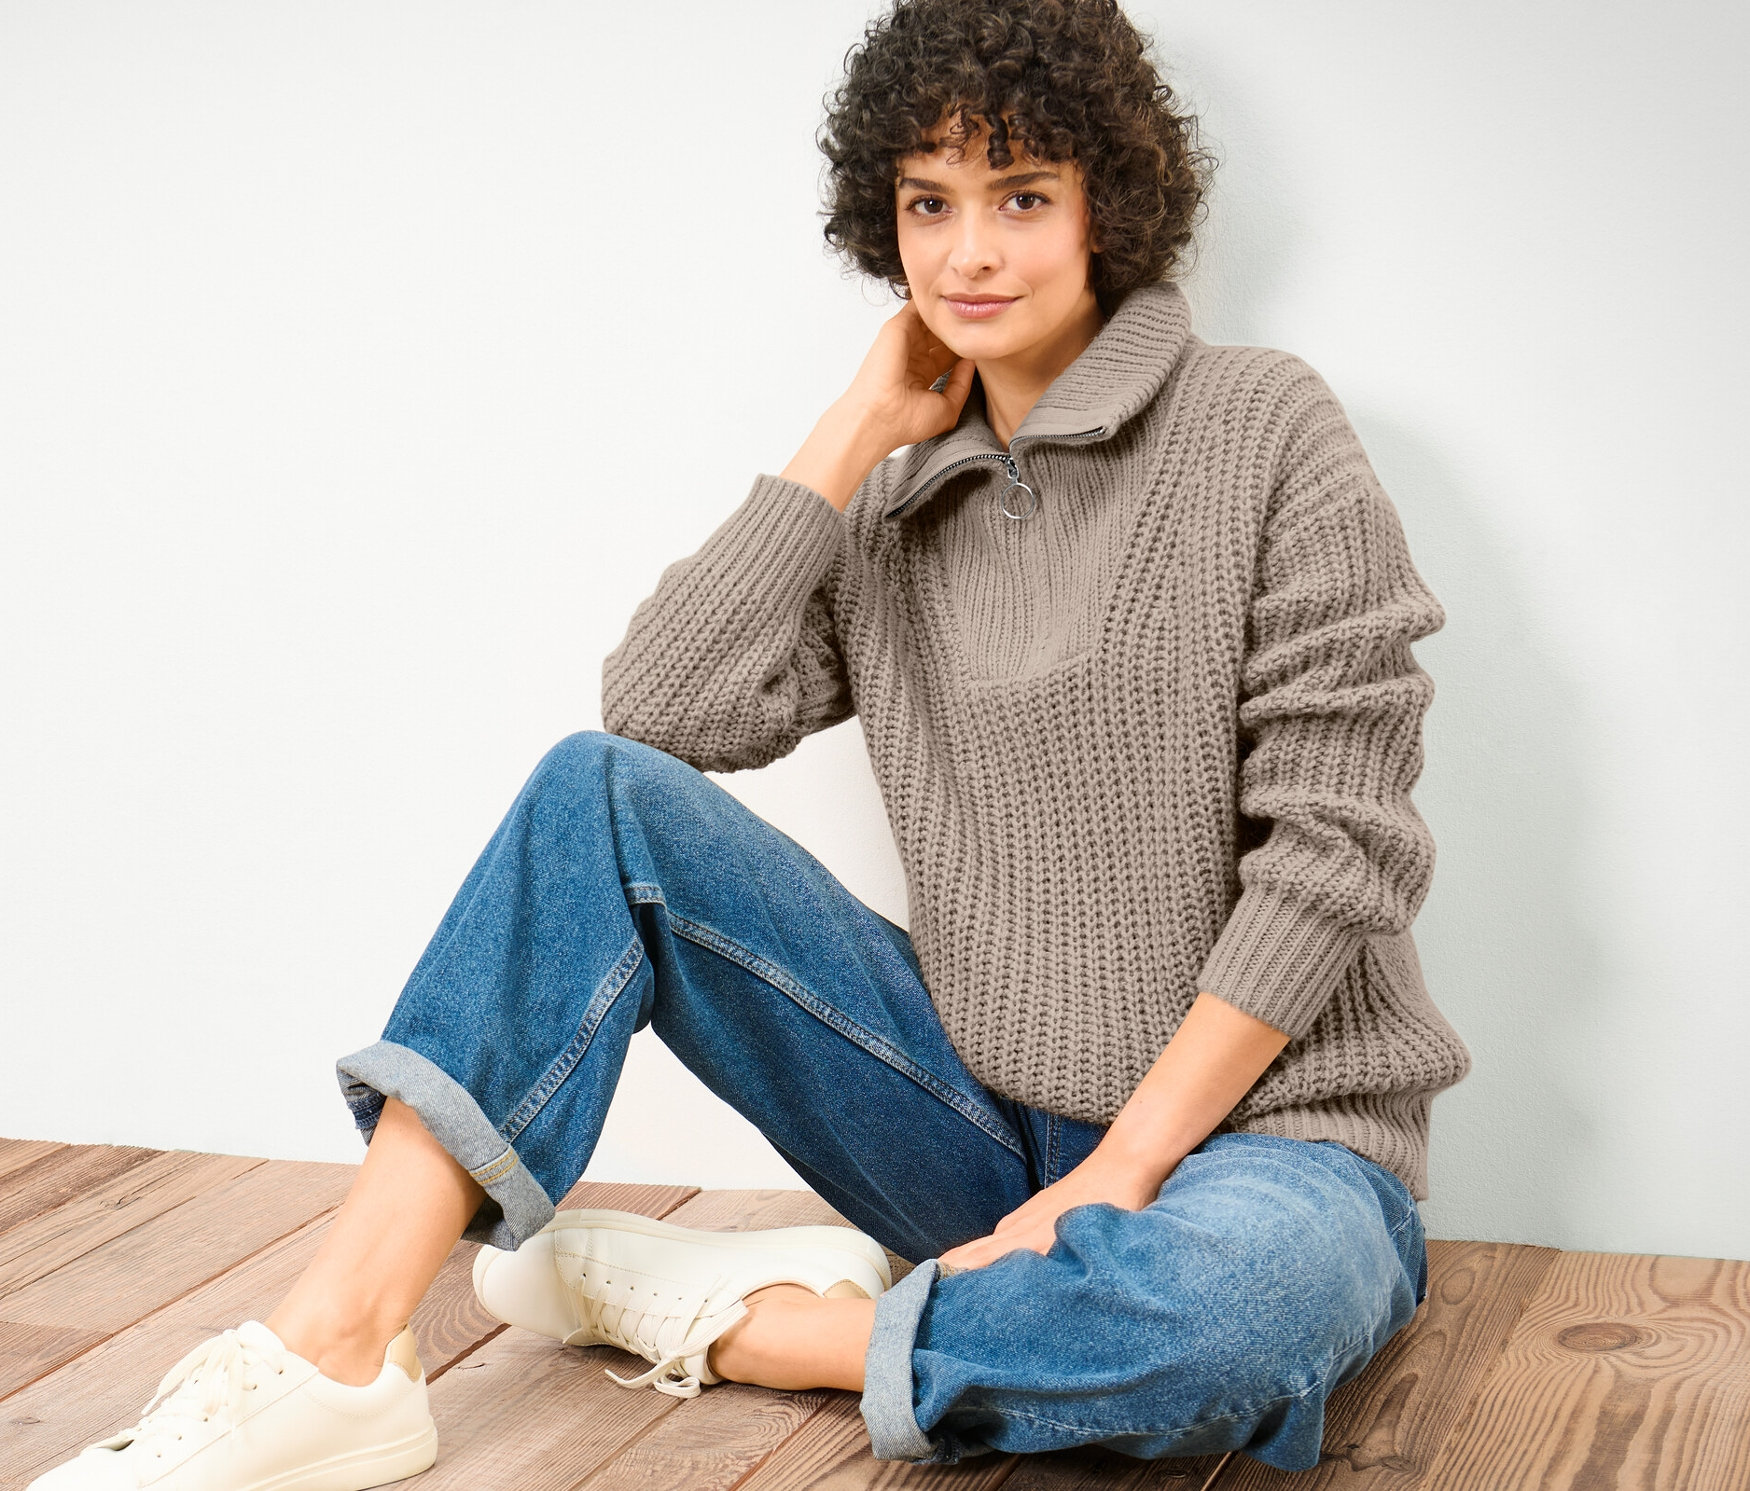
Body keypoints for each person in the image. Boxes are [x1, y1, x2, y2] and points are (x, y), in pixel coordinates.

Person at [27, 0, 1475, 1486]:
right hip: (972, 1128)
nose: (967, 253)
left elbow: (1333, 849)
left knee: (1228, 1323)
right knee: (595, 800)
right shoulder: (896, 498)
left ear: (1111, 204)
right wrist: (850, 433)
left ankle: (759, 1322)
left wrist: (1120, 1173)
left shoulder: (1264, 426)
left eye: (1021, 199)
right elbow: (657, 712)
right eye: (929, 204)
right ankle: (335, 1354)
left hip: (1271, 1146)